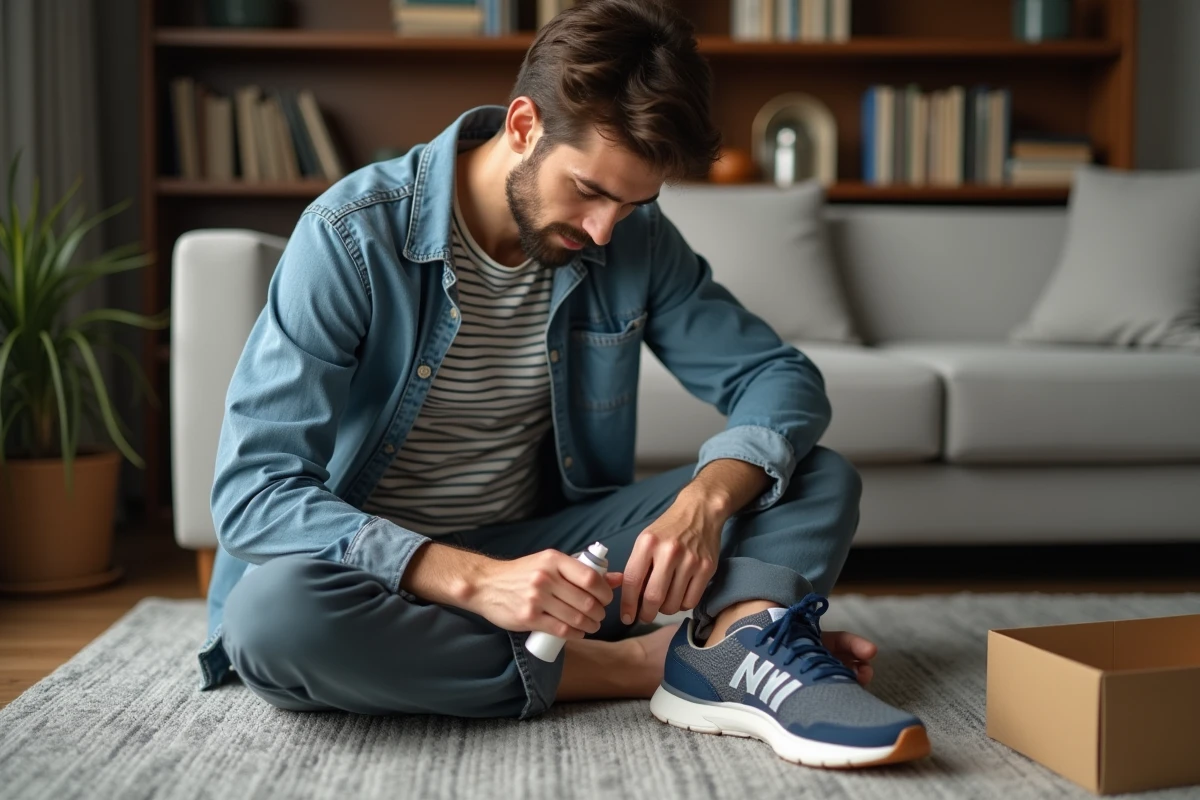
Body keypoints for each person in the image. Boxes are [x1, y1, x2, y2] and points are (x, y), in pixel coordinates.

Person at [198, 0, 930, 769]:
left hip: (555, 569)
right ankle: (646, 665)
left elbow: (776, 377)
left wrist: (706, 503)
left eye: (634, 203)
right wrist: (476, 582)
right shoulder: (352, 235)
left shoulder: (633, 241)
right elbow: (255, 493)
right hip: (373, 578)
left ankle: (739, 643)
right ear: (522, 126)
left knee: (808, 472)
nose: (606, 229)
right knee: (273, 623)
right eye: (589, 190)